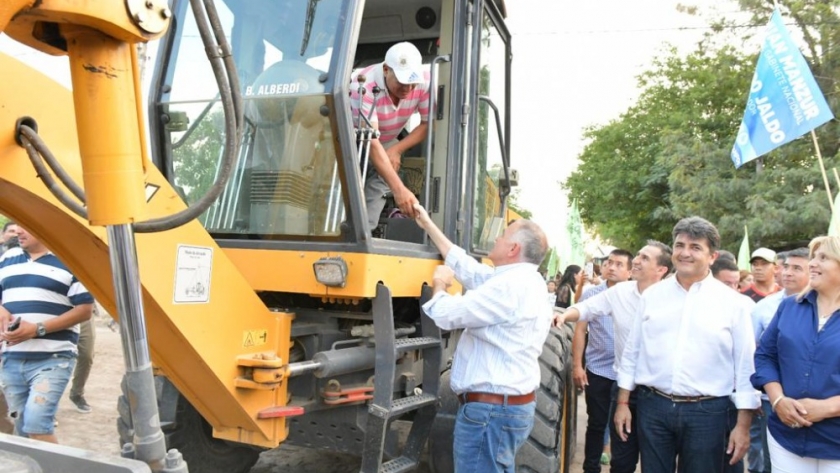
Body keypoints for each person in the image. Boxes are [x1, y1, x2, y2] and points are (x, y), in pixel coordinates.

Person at [413, 203, 550, 473]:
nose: (496, 238)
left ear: (513, 249)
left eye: (503, 236)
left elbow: (444, 314)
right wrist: (428, 224)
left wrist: (440, 285)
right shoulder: (523, 281)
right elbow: (471, 270)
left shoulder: (508, 288)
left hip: (490, 414)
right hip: (502, 409)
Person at [615, 217, 759, 473]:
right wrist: (623, 403)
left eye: (695, 247)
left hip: (709, 413)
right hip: (654, 407)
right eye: (680, 245)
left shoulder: (734, 304)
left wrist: (743, 425)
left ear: (712, 256)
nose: (685, 253)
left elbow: (746, 366)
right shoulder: (652, 296)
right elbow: (632, 352)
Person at [555, 241, 673, 473]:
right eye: (638, 255)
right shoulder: (620, 293)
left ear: (661, 270)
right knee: (622, 459)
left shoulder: (673, 299)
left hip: (660, 393)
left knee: (657, 460)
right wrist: (563, 315)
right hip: (623, 388)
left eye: (645, 258)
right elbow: (587, 308)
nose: (637, 260)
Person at [752, 236, 840, 472]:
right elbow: (765, 357)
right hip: (786, 434)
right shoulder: (789, 306)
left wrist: (829, 408)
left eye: (823, 258)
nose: (813, 264)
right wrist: (778, 400)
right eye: (813, 258)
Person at [0, 227, 94, 443]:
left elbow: (85, 309)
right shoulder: (8, 257)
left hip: (52, 358)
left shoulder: (70, 259)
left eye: (25, 226)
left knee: (36, 423)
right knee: (22, 427)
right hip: (12, 358)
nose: (18, 232)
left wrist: (37, 329)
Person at [350, 42, 430, 230]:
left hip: (386, 139)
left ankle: (365, 230)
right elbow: (370, 139)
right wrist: (400, 191)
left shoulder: (425, 81)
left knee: (385, 174)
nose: (408, 89)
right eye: (402, 83)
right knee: (350, 177)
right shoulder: (363, 85)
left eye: (412, 83)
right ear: (386, 69)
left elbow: (427, 124)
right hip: (354, 138)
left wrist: (397, 149)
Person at [570, 249, 632, 473]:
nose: (612, 267)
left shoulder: (637, 295)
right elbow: (580, 331)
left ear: (630, 271)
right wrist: (578, 366)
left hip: (627, 374)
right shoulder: (591, 294)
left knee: (623, 426)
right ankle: (591, 468)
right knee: (596, 423)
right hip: (598, 370)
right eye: (609, 263)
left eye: (619, 264)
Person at [748, 248, 808, 473]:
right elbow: (755, 353)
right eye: (786, 267)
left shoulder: (828, 310)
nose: (788, 273)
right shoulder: (764, 308)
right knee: (770, 461)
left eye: (797, 268)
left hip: (816, 402)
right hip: (772, 399)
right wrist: (760, 395)